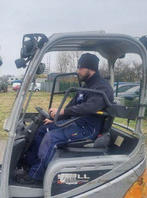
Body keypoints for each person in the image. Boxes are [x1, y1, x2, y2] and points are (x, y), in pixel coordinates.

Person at [15, 53, 114, 185]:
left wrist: (62, 111)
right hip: (76, 123)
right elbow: (73, 105)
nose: (77, 71)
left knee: (51, 138)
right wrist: (56, 117)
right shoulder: (85, 87)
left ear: (90, 68)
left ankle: (35, 175)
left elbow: (89, 107)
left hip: (88, 128)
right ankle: (28, 164)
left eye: (80, 68)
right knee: (43, 128)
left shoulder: (102, 87)